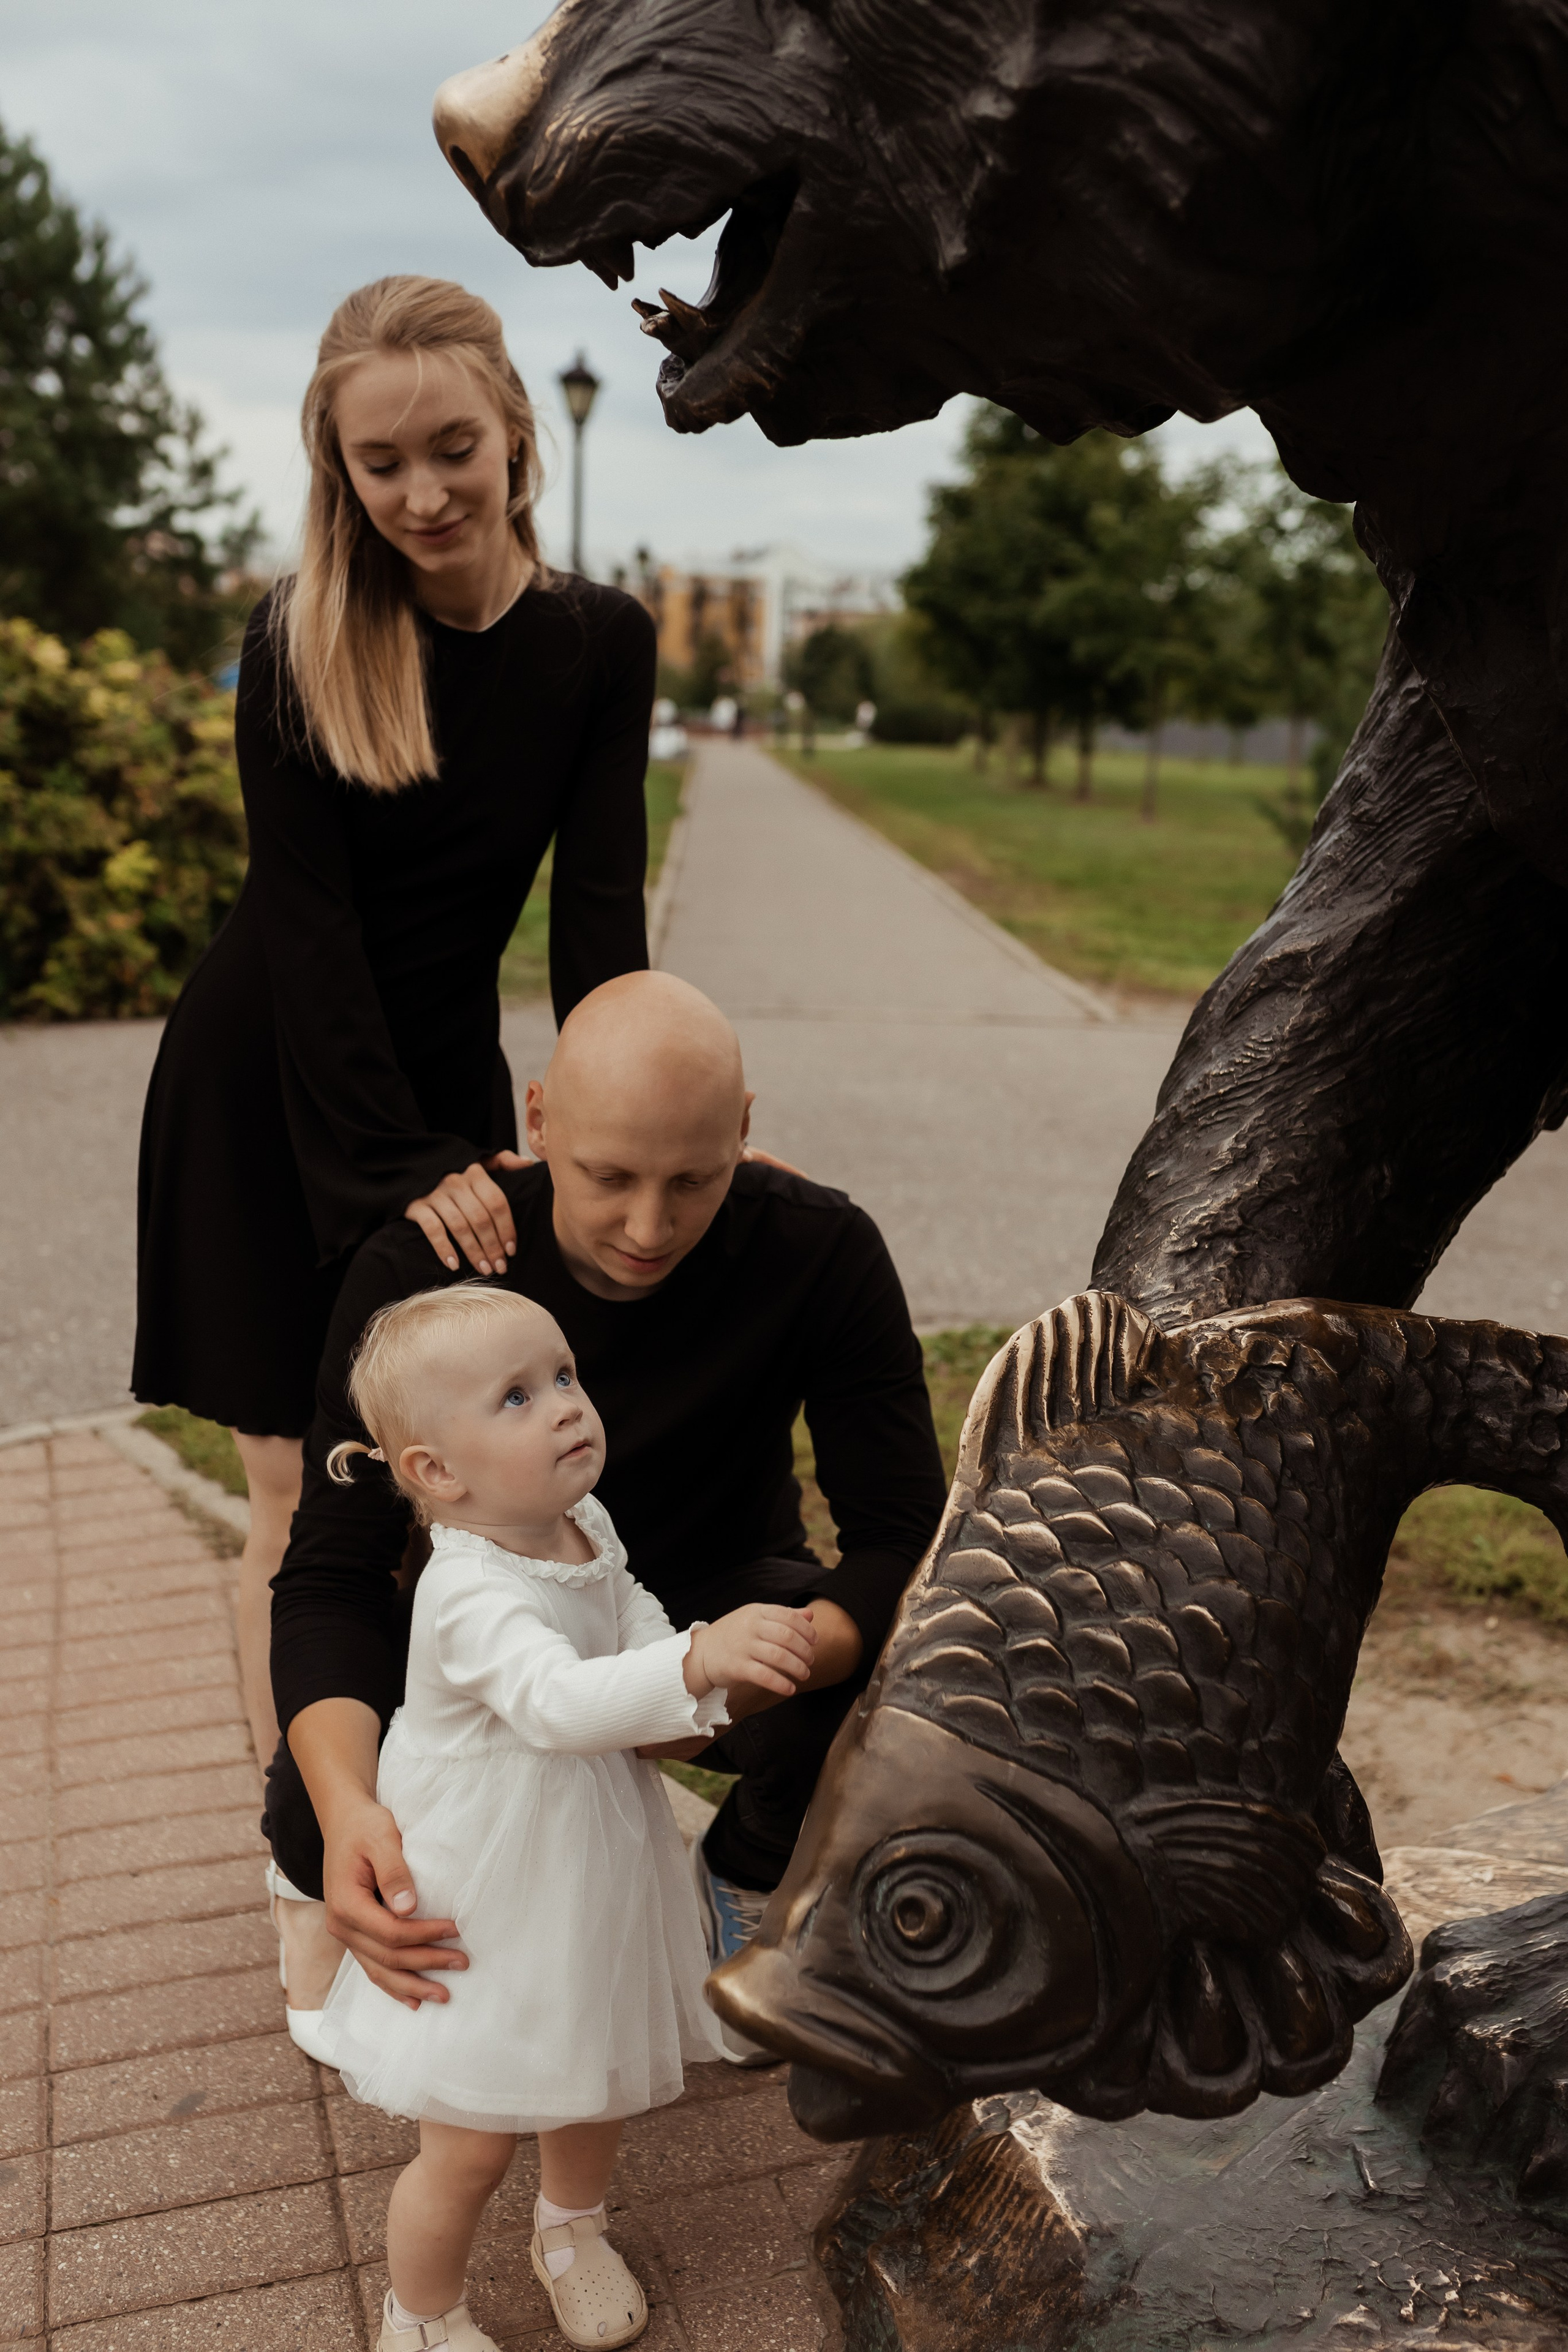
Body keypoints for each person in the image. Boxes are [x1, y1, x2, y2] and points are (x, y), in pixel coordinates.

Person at [133, 276, 655, 1770]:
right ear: (338, 469)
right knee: (305, 1505)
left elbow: (597, 919)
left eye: (451, 449)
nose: (422, 493)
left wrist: (622, 1130)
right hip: (268, 1090)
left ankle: (451, 1822)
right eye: (381, 463)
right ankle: (309, 1862)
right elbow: (307, 934)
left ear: (514, 437)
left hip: (437, 1085)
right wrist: (397, 1164)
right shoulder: (300, 637)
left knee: (460, 1490)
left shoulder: (596, 643)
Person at [265, 970, 948, 2065]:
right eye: (610, 1177)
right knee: (325, 1799)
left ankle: (744, 1868)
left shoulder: (820, 1249)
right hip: (497, 1607)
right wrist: (348, 1809)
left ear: (744, 1132)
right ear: (537, 1122)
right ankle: (307, 1873)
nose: (649, 1225)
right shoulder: (426, 1271)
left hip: (717, 1595)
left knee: (895, 1675)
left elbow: (902, 1533)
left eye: (695, 1179)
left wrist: (761, 1661)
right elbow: (330, 1577)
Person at [316, 1283, 818, 2351]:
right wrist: (695, 1664)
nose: (564, 1406)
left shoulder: (580, 1521)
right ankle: (421, 2318)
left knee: (594, 2061)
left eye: (563, 1376)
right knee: (469, 2143)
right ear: (436, 1473)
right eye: (516, 1397)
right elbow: (552, 1702)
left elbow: (627, 1614)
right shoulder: (467, 1592)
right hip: (483, 1884)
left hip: (584, 1850)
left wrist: (684, 1662)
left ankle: (571, 2230)